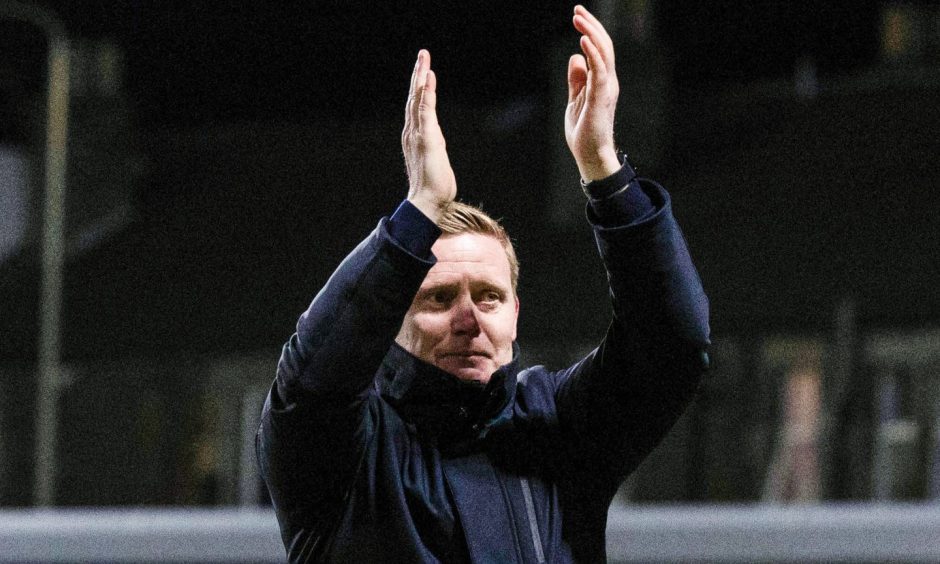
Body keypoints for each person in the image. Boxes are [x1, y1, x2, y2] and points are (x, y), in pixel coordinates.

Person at [256, 5, 710, 562]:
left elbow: (673, 345)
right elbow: (309, 382)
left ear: (515, 313)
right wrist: (420, 209)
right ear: (391, 317)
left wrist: (604, 169)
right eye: (439, 298)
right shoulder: (349, 452)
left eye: (488, 296)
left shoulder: (554, 429)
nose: (468, 317)